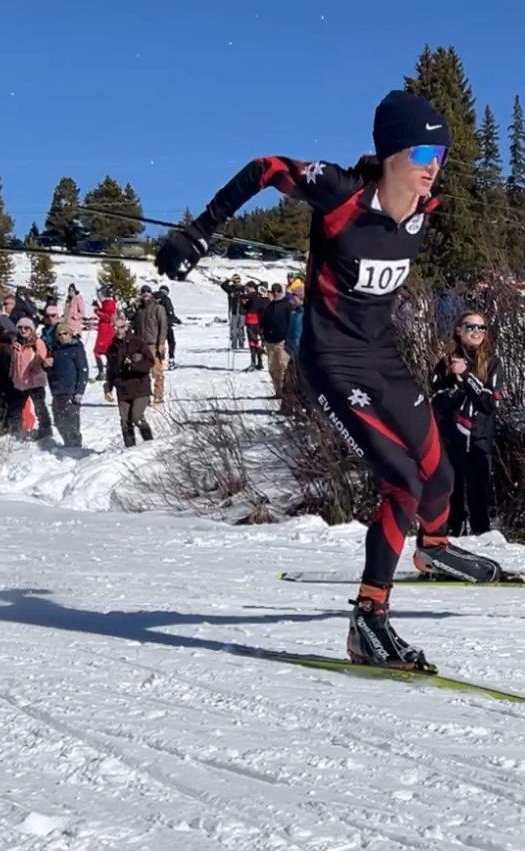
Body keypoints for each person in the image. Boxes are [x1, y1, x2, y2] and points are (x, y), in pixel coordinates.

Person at [155, 89, 504, 670]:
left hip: (382, 358)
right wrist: (200, 232)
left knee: (437, 469)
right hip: (332, 365)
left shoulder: (423, 211)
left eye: (440, 153)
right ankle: (368, 621)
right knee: (401, 482)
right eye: (423, 150)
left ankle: (434, 550)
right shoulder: (340, 193)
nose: (433, 165)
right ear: (393, 149)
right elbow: (265, 169)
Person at [431, 310, 502, 536]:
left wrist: (466, 376)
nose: (476, 331)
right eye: (470, 326)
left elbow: (489, 403)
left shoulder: (491, 362)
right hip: (451, 439)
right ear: (458, 330)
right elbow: (436, 401)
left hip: (479, 439)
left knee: (479, 502)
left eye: (481, 327)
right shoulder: (445, 362)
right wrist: (456, 391)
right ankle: (451, 542)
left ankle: (483, 547)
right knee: (452, 500)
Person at [104, 315, 155, 446]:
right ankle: (130, 448)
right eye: (115, 327)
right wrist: (108, 388)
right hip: (122, 388)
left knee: (136, 417)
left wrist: (133, 365)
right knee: (125, 421)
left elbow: (150, 362)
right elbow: (110, 370)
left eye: (121, 327)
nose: (118, 331)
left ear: (126, 327)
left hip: (139, 387)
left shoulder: (137, 342)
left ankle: (150, 444)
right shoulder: (112, 348)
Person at [46, 322, 88, 447]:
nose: (62, 336)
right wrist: (47, 366)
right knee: (59, 420)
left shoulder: (76, 349)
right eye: (59, 334)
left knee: (71, 419)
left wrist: (80, 391)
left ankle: (74, 444)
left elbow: (83, 370)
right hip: (57, 389)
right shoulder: (55, 350)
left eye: (65, 333)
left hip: (72, 390)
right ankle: (67, 442)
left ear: (70, 334)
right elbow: (51, 371)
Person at [131, 285, 168, 405]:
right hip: (141, 345)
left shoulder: (158, 308)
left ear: (151, 294)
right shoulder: (139, 311)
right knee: (142, 372)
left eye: (147, 293)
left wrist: (161, 343)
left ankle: (158, 395)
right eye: (143, 293)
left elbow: (163, 326)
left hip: (154, 344)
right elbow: (135, 329)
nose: (145, 295)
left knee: (157, 372)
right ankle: (144, 396)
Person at [260, 282, 292, 395]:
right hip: (270, 341)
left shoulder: (287, 305)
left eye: (277, 292)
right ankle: (278, 392)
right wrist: (263, 335)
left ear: (281, 292)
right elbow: (263, 322)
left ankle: (287, 393)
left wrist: (289, 338)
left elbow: (291, 323)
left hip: (282, 341)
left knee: (284, 367)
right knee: (273, 369)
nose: (275, 295)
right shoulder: (269, 307)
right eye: (273, 293)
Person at [155, 284, 182, 369]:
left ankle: (157, 361)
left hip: (154, 326)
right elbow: (170, 312)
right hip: (165, 325)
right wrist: (176, 320)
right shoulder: (166, 299)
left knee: (157, 343)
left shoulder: (152, 298)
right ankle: (171, 361)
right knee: (171, 342)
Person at [92, 289, 117, 380]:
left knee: (99, 351)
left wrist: (98, 313)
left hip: (106, 330)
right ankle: (106, 371)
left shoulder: (109, 303)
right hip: (104, 329)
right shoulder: (106, 303)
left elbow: (109, 317)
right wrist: (97, 308)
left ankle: (103, 372)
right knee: (105, 351)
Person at [220, 273, 246, 350]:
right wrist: (229, 280)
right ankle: (234, 344)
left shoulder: (243, 289)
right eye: (235, 281)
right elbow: (223, 285)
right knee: (233, 328)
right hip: (233, 311)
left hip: (242, 312)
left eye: (238, 281)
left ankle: (241, 343)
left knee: (241, 328)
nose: (237, 283)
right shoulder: (230, 289)